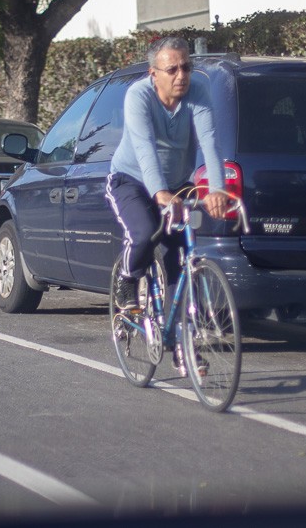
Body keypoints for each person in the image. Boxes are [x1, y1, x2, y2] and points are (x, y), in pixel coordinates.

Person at [105, 36, 230, 376]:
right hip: (131, 179)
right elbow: (144, 148)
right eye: (172, 69)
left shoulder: (198, 93)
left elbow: (209, 142)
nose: (181, 75)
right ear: (153, 73)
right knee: (144, 233)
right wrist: (158, 191)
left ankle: (181, 347)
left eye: (186, 67)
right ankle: (128, 279)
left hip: (176, 184)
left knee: (180, 257)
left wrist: (216, 189)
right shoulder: (138, 96)